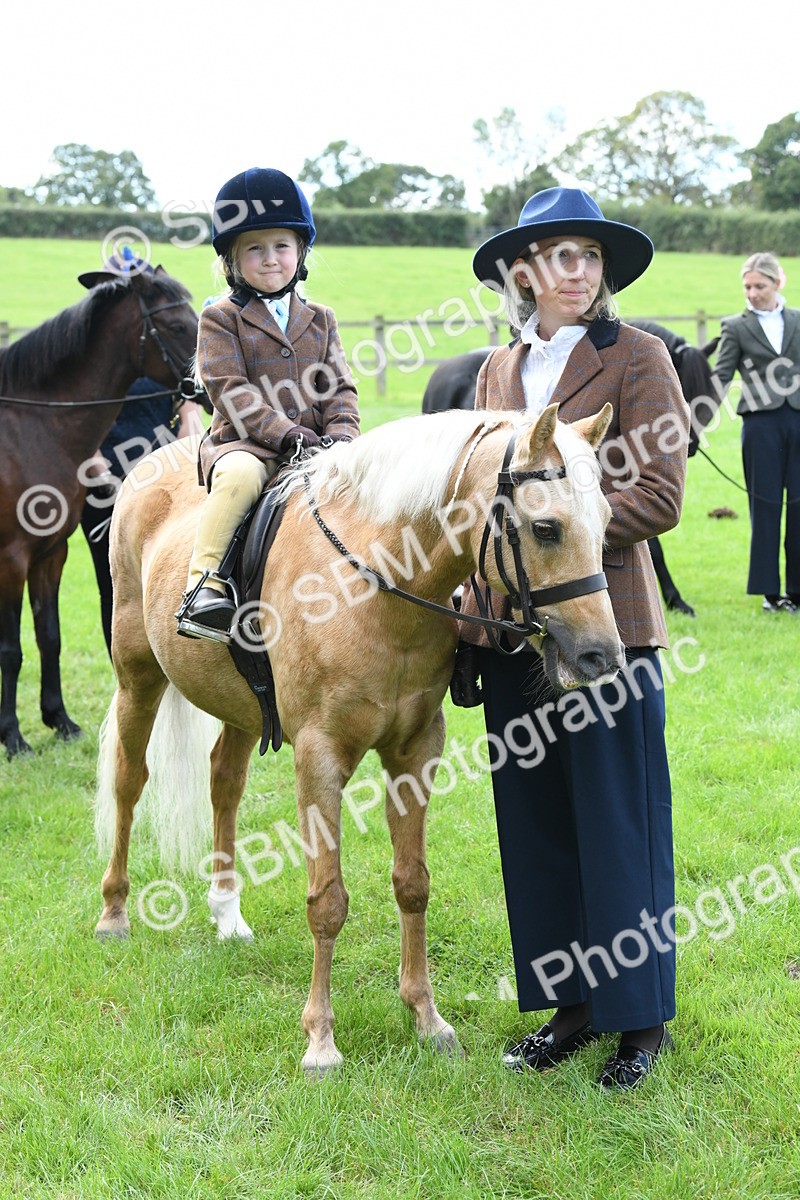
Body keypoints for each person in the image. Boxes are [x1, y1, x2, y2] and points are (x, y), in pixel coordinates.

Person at [451, 187, 689, 1090]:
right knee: (538, 824)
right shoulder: (495, 373)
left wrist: (565, 524)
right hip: (516, 632)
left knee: (617, 820)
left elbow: (663, 493)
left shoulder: (639, 358)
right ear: (526, 272)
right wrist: (475, 623)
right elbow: (482, 510)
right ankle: (573, 1008)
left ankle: (640, 1022)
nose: (579, 270)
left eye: (591, 257)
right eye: (561, 255)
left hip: (607, 624)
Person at [177, 167, 360, 641]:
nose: (271, 258)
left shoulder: (321, 318)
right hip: (245, 446)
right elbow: (230, 391)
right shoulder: (220, 317)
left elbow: (340, 386)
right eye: (255, 248)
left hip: (320, 444)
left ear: (300, 253)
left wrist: (342, 437)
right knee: (238, 479)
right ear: (233, 261)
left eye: (280, 246)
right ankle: (205, 583)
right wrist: (286, 433)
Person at [78, 251, 204, 656]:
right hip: (106, 477)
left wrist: (188, 421)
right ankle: (125, 673)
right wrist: (98, 467)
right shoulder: (83, 353)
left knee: (172, 577)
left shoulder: (155, 342)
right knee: (114, 585)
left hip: (164, 475)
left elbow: (187, 395)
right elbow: (75, 422)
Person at [713, 252, 800, 613]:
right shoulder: (735, 326)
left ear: (777, 283)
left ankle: (796, 593)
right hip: (759, 425)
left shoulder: (797, 319)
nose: (752, 293)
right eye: (747, 286)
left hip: (797, 419)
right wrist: (692, 419)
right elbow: (720, 376)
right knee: (764, 507)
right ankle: (769, 593)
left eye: (759, 286)